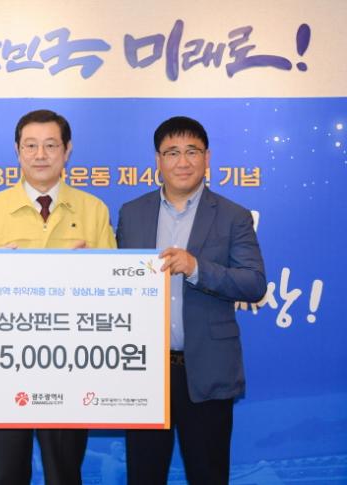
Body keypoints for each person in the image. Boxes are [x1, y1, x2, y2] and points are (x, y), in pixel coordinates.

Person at [0, 109, 116, 484]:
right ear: (17, 151)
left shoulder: (94, 210)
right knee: (8, 473)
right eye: (30, 146)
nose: (40, 155)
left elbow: (115, 293)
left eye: (51, 145)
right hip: (5, 362)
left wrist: (92, 272)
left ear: (67, 150)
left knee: (65, 473)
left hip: (71, 363)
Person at [117, 116, 266, 485]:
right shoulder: (131, 213)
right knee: (143, 476)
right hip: (144, 371)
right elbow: (117, 282)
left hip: (207, 371)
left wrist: (197, 268)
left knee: (208, 475)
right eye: (172, 152)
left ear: (207, 157)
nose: (182, 162)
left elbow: (254, 283)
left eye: (191, 152)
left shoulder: (233, 216)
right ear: (158, 160)